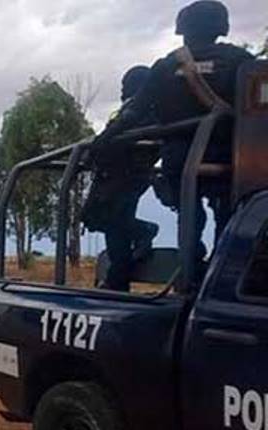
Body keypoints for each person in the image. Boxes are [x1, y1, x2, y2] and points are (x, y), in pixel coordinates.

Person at [94, 0, 254, 256]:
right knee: (227, 212)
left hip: (180, 161)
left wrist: (105, 138)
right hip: (232, 160)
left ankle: (190, 268)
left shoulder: (166, 66)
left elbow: (135, 110)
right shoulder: (241, 62)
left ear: (184, 30)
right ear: (221, 27)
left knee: (189, 214)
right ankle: (219, 267)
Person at [84, 66, 161, 292]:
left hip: (128, 175)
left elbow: (121, 134)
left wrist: (101, 144)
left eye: (126, 85)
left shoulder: (147, 110)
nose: (122, 91)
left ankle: (117, 279)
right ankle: (118, 276)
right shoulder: (133, 109)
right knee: (103, 220)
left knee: (114, 223)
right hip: (115, 174)